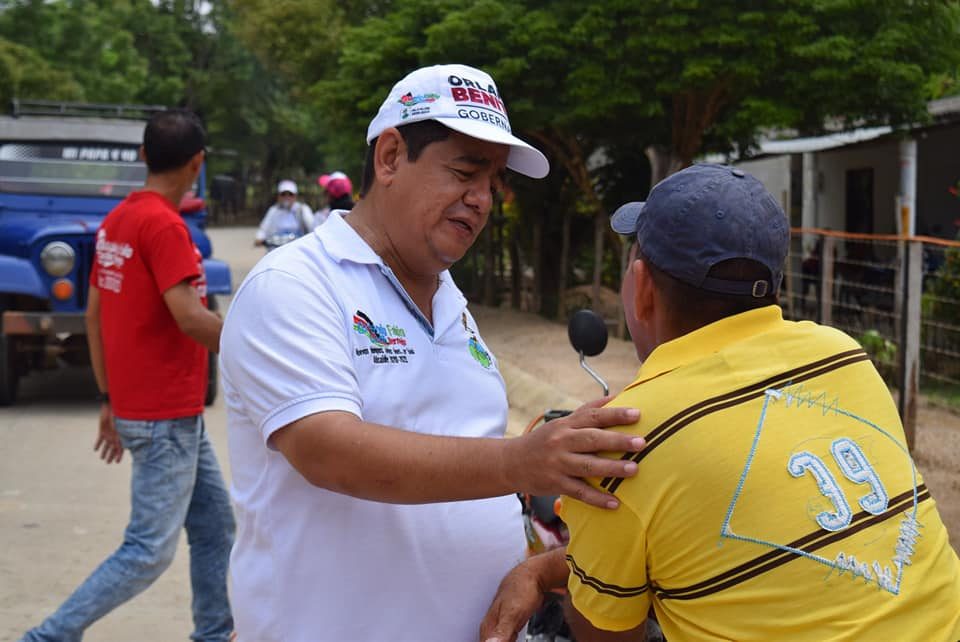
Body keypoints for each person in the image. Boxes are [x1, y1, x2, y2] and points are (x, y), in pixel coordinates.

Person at [219, 63, 644, 642]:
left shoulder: (449, 299)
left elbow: (458, 453)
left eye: (492, 180)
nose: (482, 199)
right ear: (390, 157)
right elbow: (329, 451)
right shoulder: (295, 286)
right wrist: (519, 461)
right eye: (465, 171)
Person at [481, 164, 960, 642]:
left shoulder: (620, 443)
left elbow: (608, 634)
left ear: (641, 288)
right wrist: (545, 570)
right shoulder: (845, 356)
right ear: (774, 286)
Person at [21, 110, 235, 642]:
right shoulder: (165, 226)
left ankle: (214, 633)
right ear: (197, 162)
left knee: (214, 526)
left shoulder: (117, 221)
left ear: (143, 156)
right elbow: (189, 316)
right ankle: (49, 636)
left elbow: (94, 315)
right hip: (164, 418)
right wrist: (260, 346)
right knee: (146, 551)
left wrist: (106, 397)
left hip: (159, 412)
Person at [253, 179, 314, 248]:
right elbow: (264, 228)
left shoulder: (303, 209)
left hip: (296, 248)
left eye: (290, 194)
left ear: (295, 196)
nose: (287, 197)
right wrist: (259, 238)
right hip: (276, 248)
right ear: (278, 196)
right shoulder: (274, 210)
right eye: (283, 194)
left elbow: (312, 226)